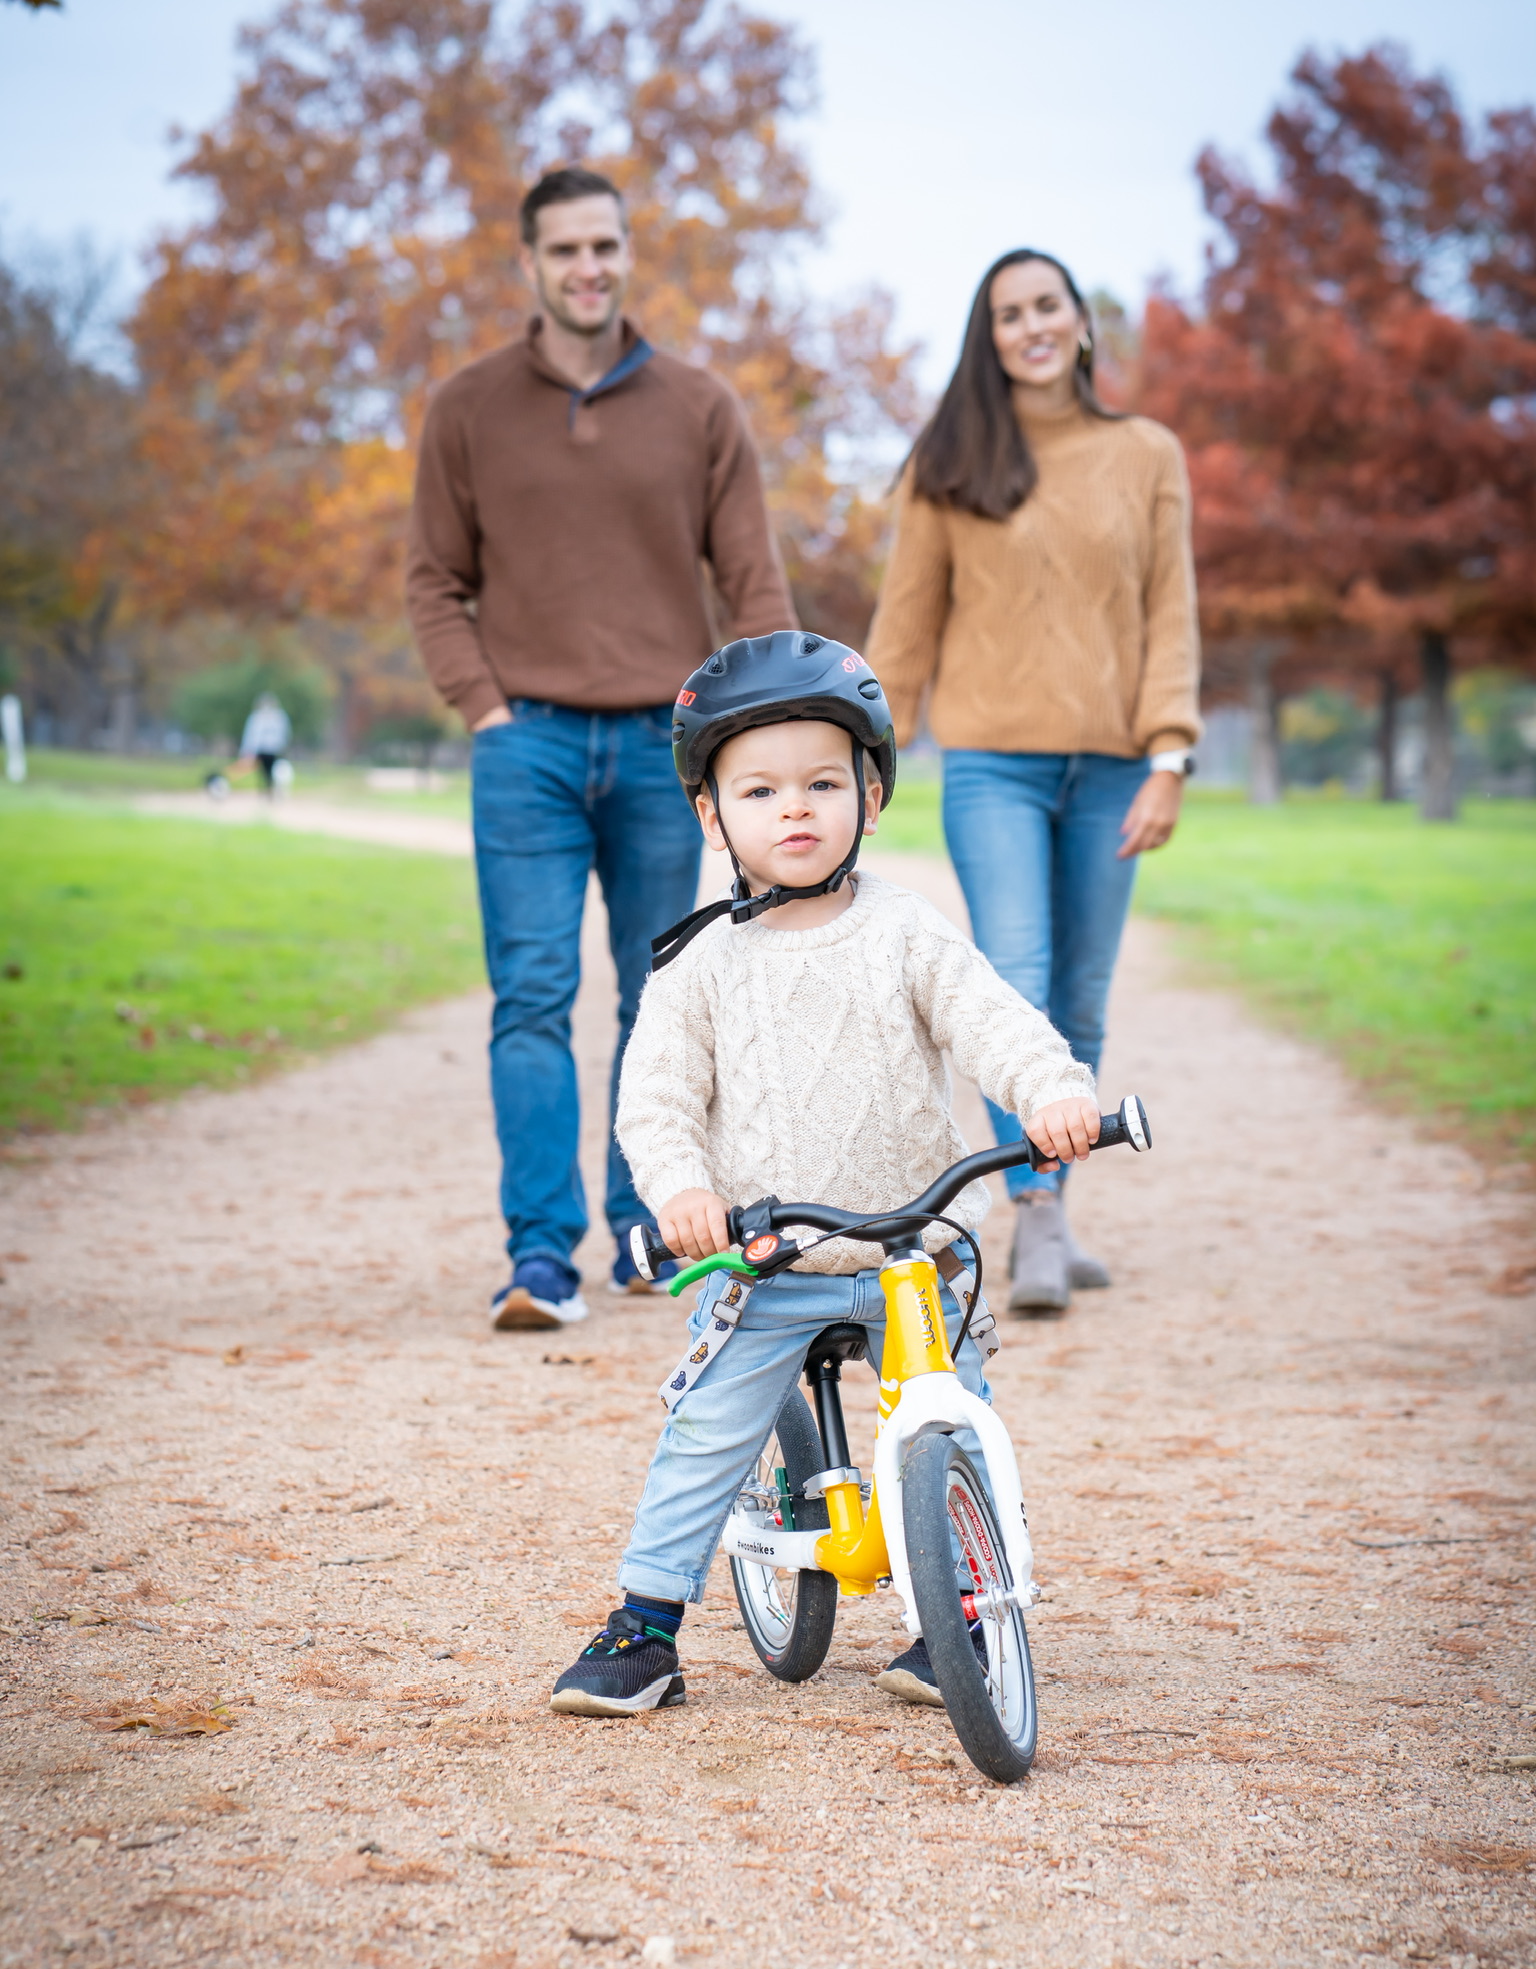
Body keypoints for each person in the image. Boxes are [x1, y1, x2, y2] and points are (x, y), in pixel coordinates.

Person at [548, 631, 1097, 1718]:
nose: (793, 808)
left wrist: (1050, 1092)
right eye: (759, 788)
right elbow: (653, 1103)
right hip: (772, 1257)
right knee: (707, 1428)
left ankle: (968, 1617)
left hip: (911, 1252)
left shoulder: (906, 931)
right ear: (713, 816)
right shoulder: (698, 963)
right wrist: (681, 1192)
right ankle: (645, 1621)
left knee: (954, 1421)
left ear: (871, 796)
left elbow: (996, 1022)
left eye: (822, 782)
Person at [406, 165, 795, 1332]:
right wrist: (483, 707)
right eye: (565, 248)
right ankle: (538, 1257)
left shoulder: (699, 405)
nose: (588, 266)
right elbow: (433, 580)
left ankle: (641, 1231)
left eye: (606, 246)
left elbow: (752, 582)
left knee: (656, 998)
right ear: (527, 263)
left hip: (656, 746)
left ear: (629, 255)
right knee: (531, 995)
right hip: (520, 742)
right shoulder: (468, 407)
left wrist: (762, 729)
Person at [866, 248, 1201, 1315]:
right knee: (1015, 977)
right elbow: (905, 624)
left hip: (1110, 767)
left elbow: (1171, 616)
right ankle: (1039, 1210)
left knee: (1083, 998)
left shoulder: (1147, 454)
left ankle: (1051, 1199)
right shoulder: (951, 463)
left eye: (1046, 306)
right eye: (1008, 314)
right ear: (990, 337)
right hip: (993, 765)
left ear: (1081, 324)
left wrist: (1170, 755)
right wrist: (862, 756)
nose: (1031, 327)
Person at [238, 693, 292, 794]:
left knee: (274, 771)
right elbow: (251, 735)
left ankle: (271, 788)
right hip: (261, 749)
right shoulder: (256, 718)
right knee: (263, 771)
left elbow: (283, 733)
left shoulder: (279, 717)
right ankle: (265, 789)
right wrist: (248, 750)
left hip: (274, 749)